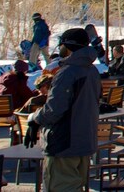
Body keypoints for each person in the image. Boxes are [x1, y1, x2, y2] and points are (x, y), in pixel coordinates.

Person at [26, 27, 101, 190]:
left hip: (64, 142)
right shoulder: (92, 70)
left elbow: (54, 109)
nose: (59, 48)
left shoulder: (67, 73)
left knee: (60, 186)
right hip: (85, 140)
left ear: (67, 46)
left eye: (61, 44)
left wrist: (35, 118)